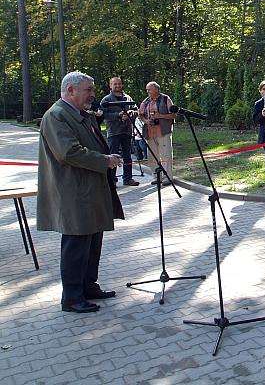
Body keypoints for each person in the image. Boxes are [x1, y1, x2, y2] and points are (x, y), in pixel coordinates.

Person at [37, 72, 124, 313]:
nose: (93, 94)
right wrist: (104, 160)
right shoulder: (56, 116)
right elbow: (69, 152)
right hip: (73, 193)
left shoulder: (80, 113)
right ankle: (72, 298)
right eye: (88, 89)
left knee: (93, 242)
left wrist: (106, 157)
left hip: (90, 190)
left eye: (93, 89)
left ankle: (88, 287)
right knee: (76, 247)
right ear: (71, 90)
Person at [100, 76, 140, 186]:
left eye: (119, 83)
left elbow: (136, 110)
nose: (118, 86)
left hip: (127, 131)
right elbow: (103, 114)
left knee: (128, 156)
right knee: (113, 156)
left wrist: (129, 114)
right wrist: (118, 115)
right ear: (110, 86)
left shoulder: (128, 98)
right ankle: (112, 180)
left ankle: (128, 178)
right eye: (115, 84)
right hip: (114, 132)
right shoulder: (106, 100)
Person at [138, 81, 175, 185]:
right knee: (152, 156)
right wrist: (146, 121)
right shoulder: (146, 101)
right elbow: (140, 114)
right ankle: (157, 177)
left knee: (166, 155)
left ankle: (168, 177)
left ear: (156, 89)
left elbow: (173, 115)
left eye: (149, 89)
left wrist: (160, 116)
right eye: (147, 90)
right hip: (150, 133)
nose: (147, 91)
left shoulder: (165, 99)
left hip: (163, 132)